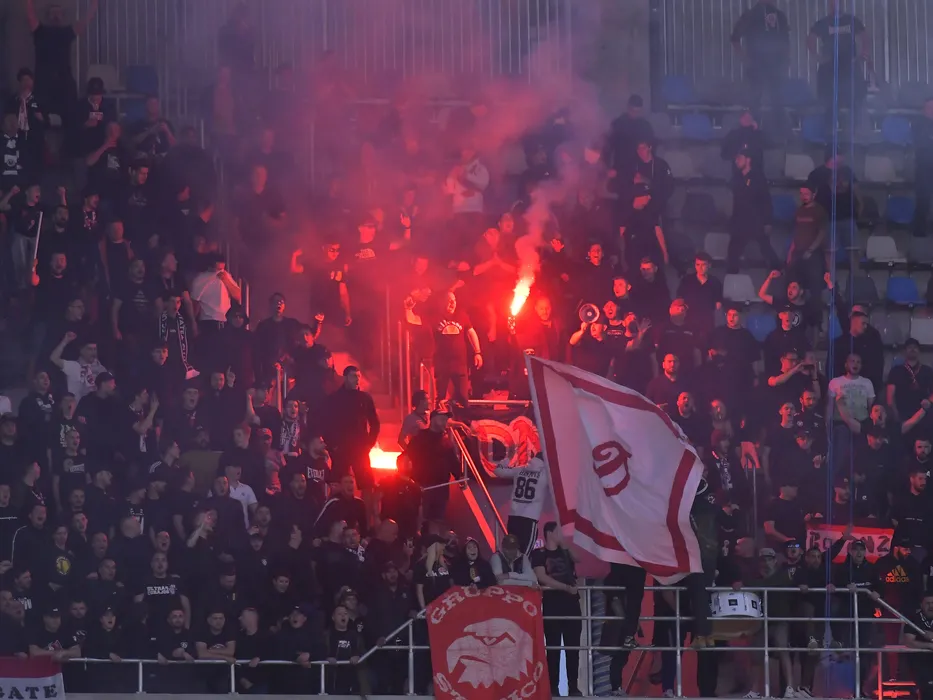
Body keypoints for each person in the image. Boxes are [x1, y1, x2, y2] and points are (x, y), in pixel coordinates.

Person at [532, 522, 581, 697]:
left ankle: (573, 687)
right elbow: (541, 577)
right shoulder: (539, 554)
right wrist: (565, 587)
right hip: (553, 604)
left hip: (572, 604)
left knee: (573, 648)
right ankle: (554, 688)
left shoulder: (565, 551)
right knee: (553, 649)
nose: (562, 534)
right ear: (550, 533)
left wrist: (565, 546)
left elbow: (578, 559)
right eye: (558, 531)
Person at [808, 0, 870, 132]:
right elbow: (810, 38)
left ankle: (853, 130)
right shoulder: (823, 22)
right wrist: (818, 57)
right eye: (832, 4)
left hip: (849, 65)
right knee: (828, 100)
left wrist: (862, 55)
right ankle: (829, 131)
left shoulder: (851, 20)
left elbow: (864, 36)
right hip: (829, 66)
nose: (835, 6)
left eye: (837, 3)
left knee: (855, 98)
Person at [730, 0, 790, 132]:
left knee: (777, 101)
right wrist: (745, 58)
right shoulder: (751, 15)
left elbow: (786, 42)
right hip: (757, 66)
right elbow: (735, 38)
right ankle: (752, 132)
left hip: (775, 67)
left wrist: (784, 61)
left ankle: (778, 134)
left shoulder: (780, 16)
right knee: (754, 101)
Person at [728, 149, 779, 273]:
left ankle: (778, 271)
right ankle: (731, 276)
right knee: (733, 251)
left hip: (756, 221)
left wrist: (767, 222)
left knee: (765, 247)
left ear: (748, 159)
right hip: (740, 221)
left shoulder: (758, 178)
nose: (736, 161)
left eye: (739, 158)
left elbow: (766, 201)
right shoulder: (737, 178)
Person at [406, 409, 461, 522]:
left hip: (441, 490)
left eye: (446, 419)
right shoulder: (419, 438)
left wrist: (459, 476)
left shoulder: (446, 441)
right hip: (421, 488)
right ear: (434, 419)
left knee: (436, 521)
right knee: (419, 521)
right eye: (442, 419)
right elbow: (406, 458)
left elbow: (453, 462)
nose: (445, 422)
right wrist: (409, 480)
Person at [493, 450, 550, 557]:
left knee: (511, 553)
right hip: (529, 519)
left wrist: (504, 462)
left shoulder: (520, 469)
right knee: (525, 556)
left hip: (513, 517)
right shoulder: (546, 474)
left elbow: (498, 471)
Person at [904, 592, 933, 700]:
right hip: (921, 662)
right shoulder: (914, 619)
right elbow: (908, 641)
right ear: (921, 605)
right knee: (927, 692)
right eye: (927, 603)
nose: (931, 606)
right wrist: (929, 645)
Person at [915, 98, 933, 237]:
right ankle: (919, 230)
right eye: (929, 107)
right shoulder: (918, 123)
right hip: (924, 167)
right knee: (923, 198)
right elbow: (920, 143)